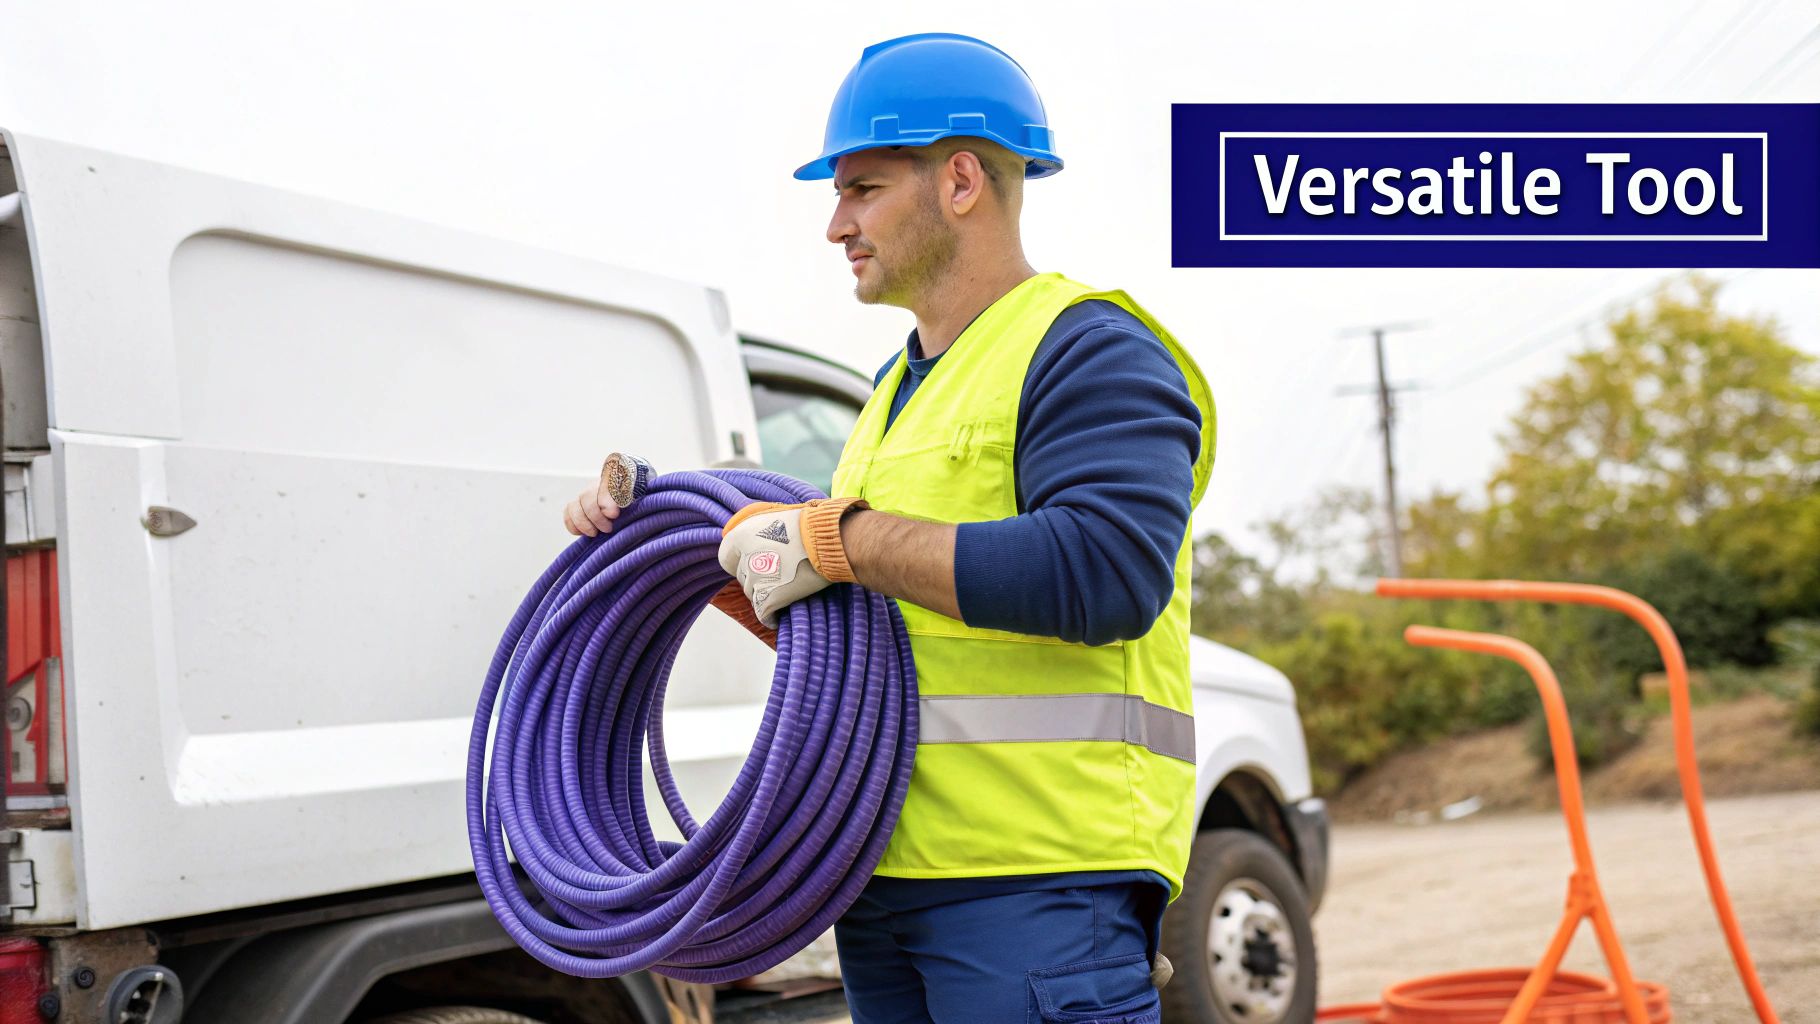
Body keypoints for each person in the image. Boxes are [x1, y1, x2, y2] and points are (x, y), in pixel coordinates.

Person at [563, 32, 1215, 1024]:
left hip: (1035, 881)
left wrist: (841, 540)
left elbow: (1105, 571)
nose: (835, 224)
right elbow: (867, 635)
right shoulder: (890, 395)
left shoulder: (1085, 348)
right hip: (879, 875)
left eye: (860, 187)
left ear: (959, 180)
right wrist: (679, 556)